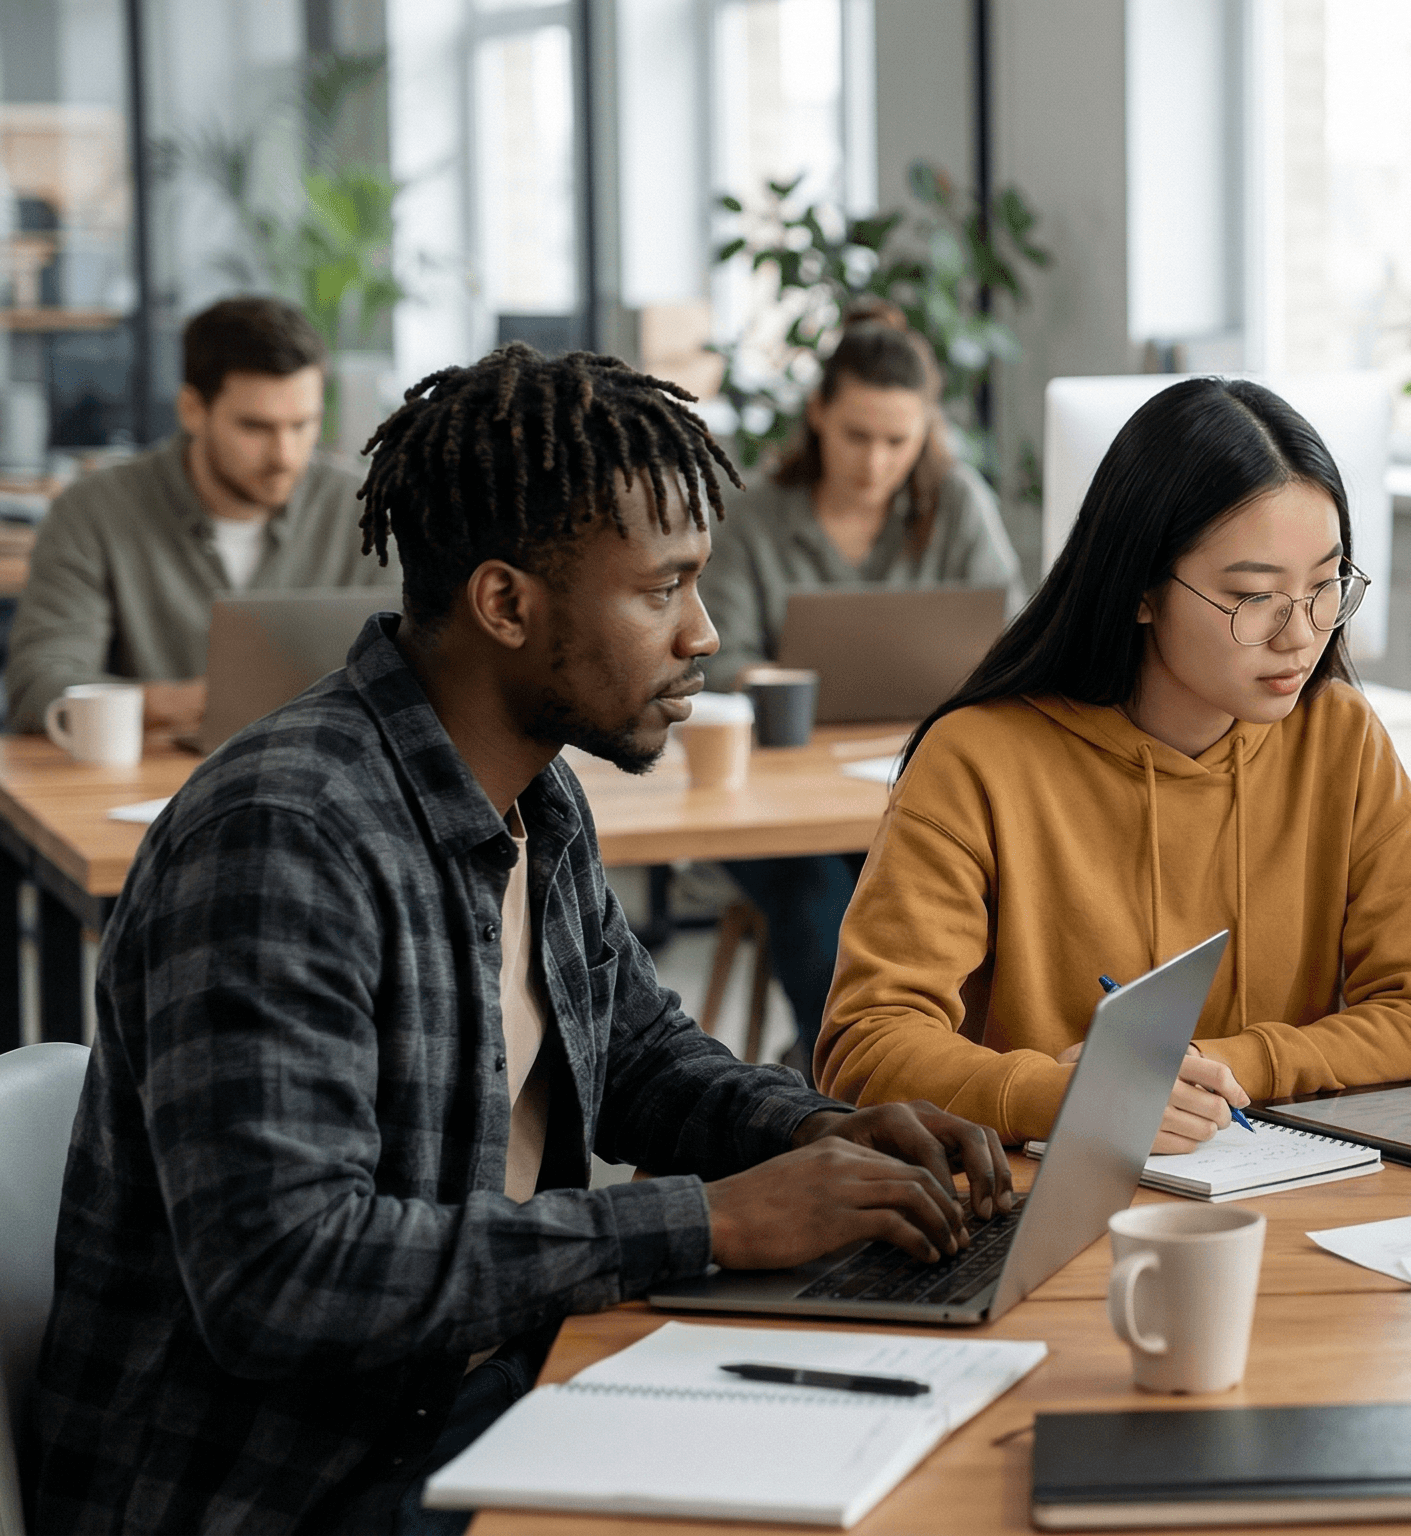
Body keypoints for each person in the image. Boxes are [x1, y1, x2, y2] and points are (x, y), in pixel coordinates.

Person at [28, 343, 1014, 1535]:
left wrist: (821, 1132)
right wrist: (716, 1222)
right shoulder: (282, 837)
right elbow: (282, 1275)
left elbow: (639, 1059)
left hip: (476, 1396)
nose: (703, 632)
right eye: (662, 591)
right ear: (505, 603)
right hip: (285, 1484)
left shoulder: (534, 796)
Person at [819, 376, 1411, 1151]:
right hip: (1047, 1202)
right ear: (1139, 590)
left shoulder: (1339, 738)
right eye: (1254, 596)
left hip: (1287, 1188)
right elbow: (866, 1044)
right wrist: (1062, 1096)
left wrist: (1219, 1064)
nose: (1301, 635)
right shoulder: (978, 760)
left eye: (1325, 585)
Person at [704, 306, 1026, 1067]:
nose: (877, 462)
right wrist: (768, 681)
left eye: (898, 440)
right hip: (778, 790)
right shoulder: (756, 519)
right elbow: (716, 657)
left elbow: (1010, 640)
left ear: (926, 431)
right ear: (817, 414)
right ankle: (851, 1077)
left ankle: (913, 1068)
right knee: (821, 898)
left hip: (913, 776)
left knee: (936, 885)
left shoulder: (956, 505)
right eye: (857, 436)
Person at [5, 295, 392, 736]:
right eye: (255, 427)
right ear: (192, 410)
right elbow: (37, 688)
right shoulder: (92, 511)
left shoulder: (367, 509)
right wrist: (186, 704)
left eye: (303, 424)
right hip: (149, 792)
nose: (285, 456)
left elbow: (422, 672)